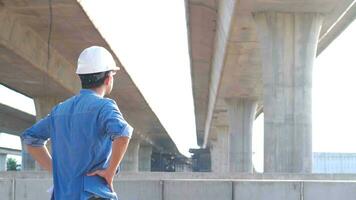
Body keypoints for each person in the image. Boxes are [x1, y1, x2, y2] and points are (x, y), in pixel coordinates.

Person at [21, 46, 133, 200]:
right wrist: (110, 171)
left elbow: (30, 139)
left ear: (81, 77)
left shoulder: (59, 110)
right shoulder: (104, 106)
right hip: (93, 194)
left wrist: (56, 171)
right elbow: (123, 134)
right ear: (108, 79)